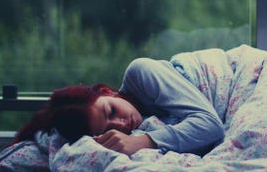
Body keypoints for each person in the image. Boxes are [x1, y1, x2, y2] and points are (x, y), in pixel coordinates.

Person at [13, 57, 225, 156]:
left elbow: (211, 126)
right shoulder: (141, 127)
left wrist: (142, 142)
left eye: (111, 110)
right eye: (107, 129)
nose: (121, 124)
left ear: (107, 91)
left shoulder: (140, 73)